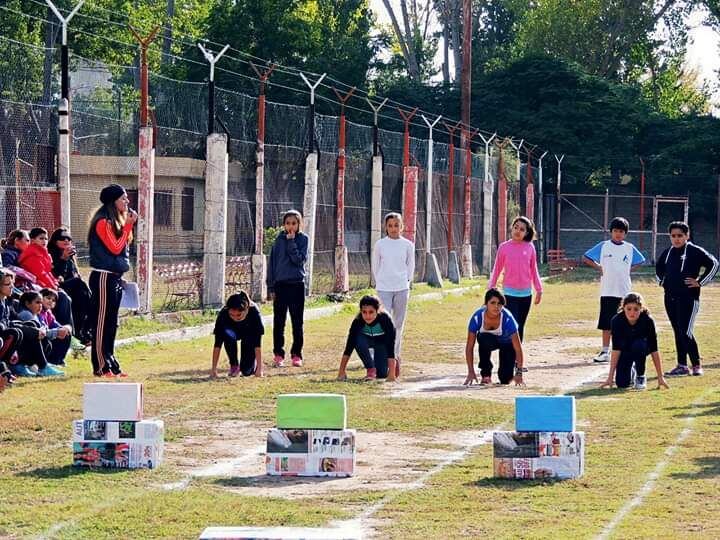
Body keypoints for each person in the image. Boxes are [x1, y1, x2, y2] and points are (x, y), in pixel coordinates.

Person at [87, 183, 137, 377]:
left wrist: (126, 226)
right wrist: (129, 225)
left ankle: (111, 362)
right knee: (101, 322)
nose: (127, 201)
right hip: (102, 277)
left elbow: (120, 249)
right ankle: (100, 365)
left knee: (112, 323)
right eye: (123, 198)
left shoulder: (117, 222)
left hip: (115, 278)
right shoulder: (103, 222)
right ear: (113, 201)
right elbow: (115, 247)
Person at [655, 221, 718, 377]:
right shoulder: (668, 252)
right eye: (673, 236)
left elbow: (714, 264)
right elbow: (659, 267)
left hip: (689, 298)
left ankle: (696, 365)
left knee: (685, 330)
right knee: (677, 330)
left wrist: (700, 282)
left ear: (687, 236)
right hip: (670, 298)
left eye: (680, 236)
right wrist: (662, 281)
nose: (676, 239)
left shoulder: (695, 251)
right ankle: (682, 365)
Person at [583, 217, 645, 363]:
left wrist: (628, 270)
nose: (618, 234)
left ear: (625, 233)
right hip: (607, 291)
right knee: (606, 323)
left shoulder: (629, 248)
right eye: (615, 231)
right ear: (611, 232)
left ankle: (624, 348)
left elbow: (641, 260)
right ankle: (605, 351)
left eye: (621, 231)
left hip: (624, 292)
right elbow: (586, 257)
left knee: (626, 321)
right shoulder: (604, 246)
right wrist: (599, 267)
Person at [488, 216, 542, 342]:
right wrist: (491, 288)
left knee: (520, 326)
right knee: (513, 325)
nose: (518, 231)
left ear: (527, 233)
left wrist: (539, 290)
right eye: (516, 227)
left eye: (522, 229)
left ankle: (517, 358)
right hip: (509, 294)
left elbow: (534, 270)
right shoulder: (504, 247)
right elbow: (497, 268)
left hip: (526, 294)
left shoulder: (530, 248)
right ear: (511, 228)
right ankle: (510, 356)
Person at [372, 212, 414, 371]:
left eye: (396, 225)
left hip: (401, 287)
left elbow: (410, 266)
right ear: (385, 227)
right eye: (390, 225)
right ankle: (377, 353)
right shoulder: (380, 244)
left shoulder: (408, 245)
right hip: (384, 288)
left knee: (398, 323)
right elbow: (375, 265)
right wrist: (380, 281)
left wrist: (406, 281)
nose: (393, 228)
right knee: (382, 322)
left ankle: (395, 354)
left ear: (402, 226)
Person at [600, 293, 670, 390]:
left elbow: (654, 349)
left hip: (641, 348)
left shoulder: (647, 320)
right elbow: (616, 349)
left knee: (638, 345)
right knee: (622, 383)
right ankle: (631, 370)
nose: (632, 312)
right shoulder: (616, 321)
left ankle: (640, 376)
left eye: (636, 309)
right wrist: (610, 377)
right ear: (623, 308)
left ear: (641, 309)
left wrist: (660, 377)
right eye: (629, 309)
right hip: (625, 349)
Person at [0, 270, 62, 377]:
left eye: (12, 283)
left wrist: (32, 329)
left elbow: (9, 322)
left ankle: (40, 366)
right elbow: (3, 326)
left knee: (33, 325)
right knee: (16, 332)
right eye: (7, 284)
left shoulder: (5, 301)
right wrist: (31, 331)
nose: (11, 287)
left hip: (6, 330)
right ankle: (14, 365)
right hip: (2, 334)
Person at [267, 209, 308, 368]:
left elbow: (299, 260)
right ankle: (278, 354)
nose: (291, 226)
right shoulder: (278, 240)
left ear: (299, 224)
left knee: (297, 322)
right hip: (280, 286)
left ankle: (296, 354)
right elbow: (272, 264)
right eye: (288, 223)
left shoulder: (303, 239)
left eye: (294, 223)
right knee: (279, 322)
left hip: (296, 285)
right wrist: (271, 286)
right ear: (283, 224)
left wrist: (291, 242)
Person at [16, 227, 75, 330]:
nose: (44, 241)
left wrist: (55, 284)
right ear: (33, 240)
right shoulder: (32, 254)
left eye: (46, 238)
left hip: (44, 285)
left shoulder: (43, 253)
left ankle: (79, 331)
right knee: (64, 298)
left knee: (76, 289)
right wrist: (54, 288)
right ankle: (66, 332)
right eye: (41, 238)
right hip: (37, 287)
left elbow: (48, 273)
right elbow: (41, 274)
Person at [464, 288, 524, 386]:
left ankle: (507, 374)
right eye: (493, 303)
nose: (496, 306)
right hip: (489, 341)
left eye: (499, 303)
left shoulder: (508, 318)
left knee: (506, 379)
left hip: (507, 345)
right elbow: (469, 346)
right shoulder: (477, 317)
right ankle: (486, 375)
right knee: (483, 338)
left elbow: (518, 348)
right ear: (486, 303)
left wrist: (519, 373)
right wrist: (471, 371)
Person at [337, 295, 397, 381]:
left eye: (371, 312)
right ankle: (371, 369)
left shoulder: (385, 319)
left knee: (382, 374)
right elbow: (349, 346)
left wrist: (391, 374)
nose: (367, 316)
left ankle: (394, 363)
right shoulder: (358, 321)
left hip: (381, 343)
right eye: (364, 312)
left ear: (377, 310)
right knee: (357, 340)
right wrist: (341, 371)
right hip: (366, 341)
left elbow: (390, 346)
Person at [48, 227, 92, 344]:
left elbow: (75, 275)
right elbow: (56, 276)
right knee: (80, 288)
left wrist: (68, 258)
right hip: (55, 288)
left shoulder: (71, 256)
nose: (66, 240)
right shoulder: (50, 254)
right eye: (62, 238)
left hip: (73, 290)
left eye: (69, 238)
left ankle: (84, 332)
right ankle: (79, 334)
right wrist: (63, 258)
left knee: (82, 294)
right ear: (55, 241)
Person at [210, 291, 264, 378]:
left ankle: (250, 366)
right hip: (232, 333)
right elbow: (218, 343)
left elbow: (257, 343)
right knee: (226, 335)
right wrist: (213, 369)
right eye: (232, 315)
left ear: (246, 310)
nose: (235, 318)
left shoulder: (254, 313)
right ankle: (234, 365)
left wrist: (260, 369)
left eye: (238, 315)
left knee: (247, 372)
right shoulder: (223, 314)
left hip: (248, 334)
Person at [17, 290, 71, 367]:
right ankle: (42, 364)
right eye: (38, 302)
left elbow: (53, 325)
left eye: (41, 303)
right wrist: (57, 332)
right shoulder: (26, 314)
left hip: (42, 338)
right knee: (44, 340)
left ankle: (57, 361)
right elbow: (40, 331)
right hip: (24, 347)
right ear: (27, 304)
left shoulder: (38, 313)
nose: (40, 305)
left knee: (62, 334)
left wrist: (65, 328)